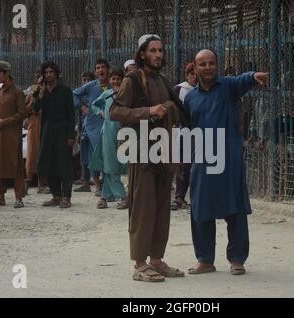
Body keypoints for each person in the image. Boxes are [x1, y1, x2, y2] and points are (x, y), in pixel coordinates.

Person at [110, 34, 188, 283]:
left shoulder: (162, 81)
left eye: (161, 50)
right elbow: (115, 112)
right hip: (141, 152)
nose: (158, 55)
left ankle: (156, 259)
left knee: (161, 209)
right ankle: (140, 263)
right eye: (153, 50)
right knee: (143, 209)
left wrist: (168, 107)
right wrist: (149, 111)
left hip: (162, 152)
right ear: (142, 53)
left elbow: (176, 111)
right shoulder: (133, 79)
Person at [184, 49, 269, 276]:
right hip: (202, 160)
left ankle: (237, 259)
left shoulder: (228, 87)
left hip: (229, 160)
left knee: (235, 210)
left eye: (212, 63)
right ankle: (205, 260)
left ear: (217, 65)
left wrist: (253, 77)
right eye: (203, 64)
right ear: (195, 67)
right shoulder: (190, 97)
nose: (208, 67)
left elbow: (244, 80)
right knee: (200, 209)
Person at [33, 61, 75, 209]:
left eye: (51, 72)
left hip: (63, 131)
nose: (49, 75)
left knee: (64, 164)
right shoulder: (41, 91)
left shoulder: (65, 90)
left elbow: (71, 114)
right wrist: (41, 93)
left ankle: (66, 197)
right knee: (46, 163)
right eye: (46, 72)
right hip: (47, 131)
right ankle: (56, 195)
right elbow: (35, 109)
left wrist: (71, 135)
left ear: (56, 74)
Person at [0, 61, 28, 209]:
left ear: (6, 73)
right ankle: (0, 196)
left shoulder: (17, 92)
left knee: (16, 166)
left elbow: (22, 113)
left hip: (12, 135)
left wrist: (4, 122)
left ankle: (19, 198)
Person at [89, 68, 128, 210]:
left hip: (123, 135)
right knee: (109, 166)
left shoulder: (126, 95)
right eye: (113, 79)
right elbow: (94, 105)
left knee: (112, 167)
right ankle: (123, 197)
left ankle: (104, 197)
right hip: (107, 134)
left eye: (119, 78)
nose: (116, 81)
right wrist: (101, 113)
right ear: (110, 80)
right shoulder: (106, 94)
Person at [73, 60, 109, 195]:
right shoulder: (91, 86)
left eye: (103, 67)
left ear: (108, 70)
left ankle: (106, 184)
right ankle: (98, 185)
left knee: (108, 156)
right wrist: (83, 107)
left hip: (109, 126)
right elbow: (75, 94)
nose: (101, 70)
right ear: (96, 71)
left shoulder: (114, 85)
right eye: (98, 68)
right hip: (92, 127)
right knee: (94, 156)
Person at [171, 62, 197, 210]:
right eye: (192, 74)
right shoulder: (180, 89)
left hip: (199, 133)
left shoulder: (203, 90)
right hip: (183, 133)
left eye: (196, 74)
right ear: (187, 75)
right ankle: (179, 196)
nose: (195, 77)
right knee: (183, 165)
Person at [24, 70, 49, 195]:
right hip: (34, 126)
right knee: (32, 154)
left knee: (44, 155)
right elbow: (26, 109)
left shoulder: (50, 92)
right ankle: (27, 182)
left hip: (46, 126)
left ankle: (41, 183)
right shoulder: (31, 91)